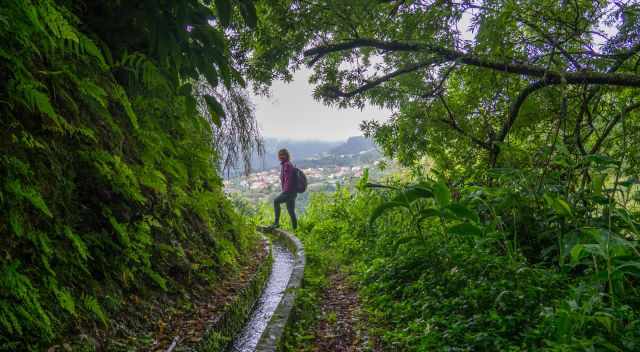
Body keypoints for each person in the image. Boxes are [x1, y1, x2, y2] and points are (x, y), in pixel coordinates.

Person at [268, 148, 297, 230]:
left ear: (286, 156)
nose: (281, 157)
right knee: (291, 211)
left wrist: (285, 192)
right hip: (293, 192)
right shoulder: (287, 164)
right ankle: (295, 229)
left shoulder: (287, 165)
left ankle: (276, 223)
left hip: (288, 192)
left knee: (276, 201)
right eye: (280, 155)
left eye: (283, 155)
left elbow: (289, 179)